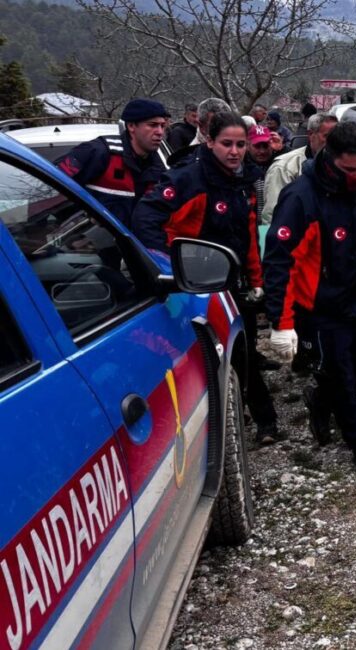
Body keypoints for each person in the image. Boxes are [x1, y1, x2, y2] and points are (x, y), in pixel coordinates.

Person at [131, 112, 281, 443]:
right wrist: (169, 270)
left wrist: (256, 280)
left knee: (243, 352)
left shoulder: (244, 182)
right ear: (210, 141)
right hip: (194, 285)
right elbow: (145, 219)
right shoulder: (188, 179)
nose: (235, 151)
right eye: (227, 144)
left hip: (232, 282)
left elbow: (249, 237)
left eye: (241, 144)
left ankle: (263, 421)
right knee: (209, 360)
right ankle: (229, 425)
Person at [263, 121, 356, 475]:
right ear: (331, 158)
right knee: (342, 377)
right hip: (320, 308)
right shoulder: (301, 198)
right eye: (352, 169)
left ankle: (322, 398)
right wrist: (282, 323)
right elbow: (279, 260)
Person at [56, 97, 170, 229]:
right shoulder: (98, 152)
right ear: (131, 126)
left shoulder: (159, 168)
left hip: (131, 245)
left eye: (162, 126)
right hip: (85, 245)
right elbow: (52, 183)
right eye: (152, 125)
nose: (160, 132)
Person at [262, 113, 338, 224]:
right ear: (311, 135)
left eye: (336, 137)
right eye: (327, 136)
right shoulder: (284, 167)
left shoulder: (345, 166)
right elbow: (272, 215)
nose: (333, 142)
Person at [167, 97, 232, 167]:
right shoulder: (190, 161)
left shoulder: (238, 152)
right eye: (216, 125)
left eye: (226, 124)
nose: (223, 129)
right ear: (201, 126)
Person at [246, 124, 276, 216]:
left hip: (270, 225)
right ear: (248, 146)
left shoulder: (279, 165)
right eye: (257, 146)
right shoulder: (240, 168)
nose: (262, 151)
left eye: (265, 146)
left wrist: (283, 151)